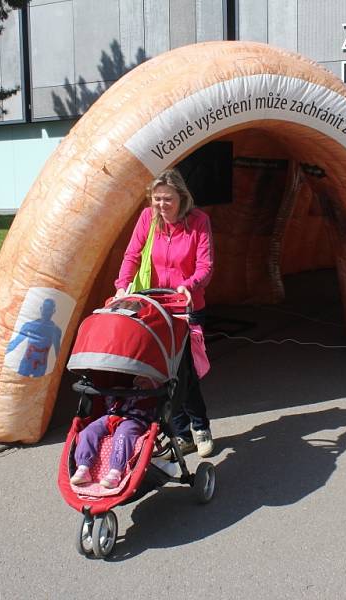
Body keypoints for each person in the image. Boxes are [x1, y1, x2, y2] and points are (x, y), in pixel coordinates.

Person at [114, 169, 215, 456]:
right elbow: (132, 255)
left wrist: (188, 285)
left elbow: (205, 266)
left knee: (185, 371)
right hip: (155, 306)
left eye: (167, 199)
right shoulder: (148, 218)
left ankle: (200, 427)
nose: (161, 205)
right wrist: (122, 287)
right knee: (162, 373)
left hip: (186, 306)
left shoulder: (199, 222)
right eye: (156, 199)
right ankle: (181, 433)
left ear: (181, 197)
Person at [71, 382, 156, 488]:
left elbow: (153, 411)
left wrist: (149, 391)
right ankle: (83, 468)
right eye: (139, 378)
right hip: (111, 416)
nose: (142, 380)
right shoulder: (127, 389)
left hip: (134, 420)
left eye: (146, 379)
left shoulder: (152, 395)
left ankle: (115, 472)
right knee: (88, 432)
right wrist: (113, 392)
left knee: (123, 435)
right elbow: (109, 405)